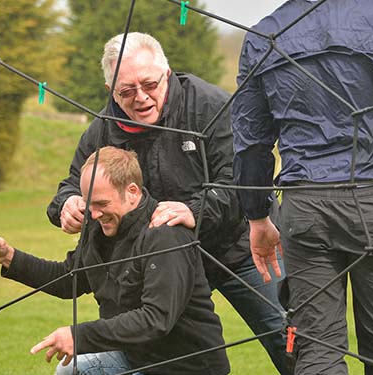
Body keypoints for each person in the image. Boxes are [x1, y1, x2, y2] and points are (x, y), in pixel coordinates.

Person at [47, 32, 291, 373]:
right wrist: (67, 204)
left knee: (290, 338)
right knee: (156, 355)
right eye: (126, 91)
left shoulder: (210, 105)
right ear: (110, 92)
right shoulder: (102, 129)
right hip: (163, 265)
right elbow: (72, 183)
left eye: (149, 84)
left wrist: (194, 210)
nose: (141, 98)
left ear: (168, 73)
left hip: (237, 250)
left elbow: (243, 179)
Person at [232, 0, 373, 374]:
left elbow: (251, 142)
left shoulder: (264, 34)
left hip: (305, 212)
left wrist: (255, 214)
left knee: (316, 351)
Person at [0, 147, 230, 375]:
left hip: (185, 367)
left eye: (102, 203)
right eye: (88, 203)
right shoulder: (98, 226)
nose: (93, 213)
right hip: (137, 358)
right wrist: (9, 257)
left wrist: (78, 336)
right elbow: (68, 278)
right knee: (74, 368)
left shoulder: (165, 234)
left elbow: (156, 318)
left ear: (132, 192)